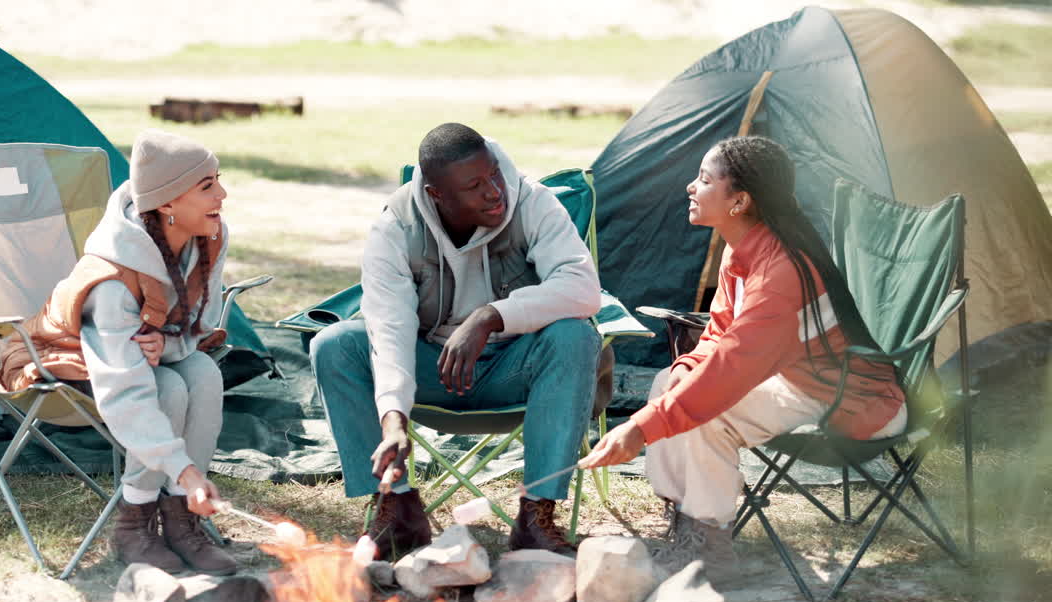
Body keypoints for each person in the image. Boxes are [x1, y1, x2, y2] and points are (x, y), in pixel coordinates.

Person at [579, 135, 907, 577]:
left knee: (706, 413)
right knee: (666, 383)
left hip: (851, 401)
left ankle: (710, 548)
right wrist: (685, 368)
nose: (690, 187)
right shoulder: (742, 248)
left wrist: (639, 429)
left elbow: (732, 368)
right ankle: (687, 522)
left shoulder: (781, 272)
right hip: (799, 381)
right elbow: (719, 332)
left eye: (703, 179)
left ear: (739, 201)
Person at [310, 122, 602, 560]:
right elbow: (389, 329)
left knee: (574, 335)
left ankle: (536, 516)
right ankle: (397, 508)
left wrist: (490, 316)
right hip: (433, 368)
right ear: (436, 195)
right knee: (334, 345)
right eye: (473, 186)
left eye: (493, 174)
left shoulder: (533, 202)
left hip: (514, 366)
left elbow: (582, 288)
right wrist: (393, 418)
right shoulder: (396, 228)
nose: (493, 192)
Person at [0, 129, 236, 576]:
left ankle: (182, 522)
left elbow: (199, 327)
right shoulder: (110, 280)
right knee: (168, 390)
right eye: (207, 186)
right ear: (167, 203)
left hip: (140, 355)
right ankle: (134, 524)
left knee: (204, 372)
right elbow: (125, 390)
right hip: (65, 361)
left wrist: (169, 343)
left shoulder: (208, 236)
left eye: (218, 180)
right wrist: (185, 471)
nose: (222, 194)